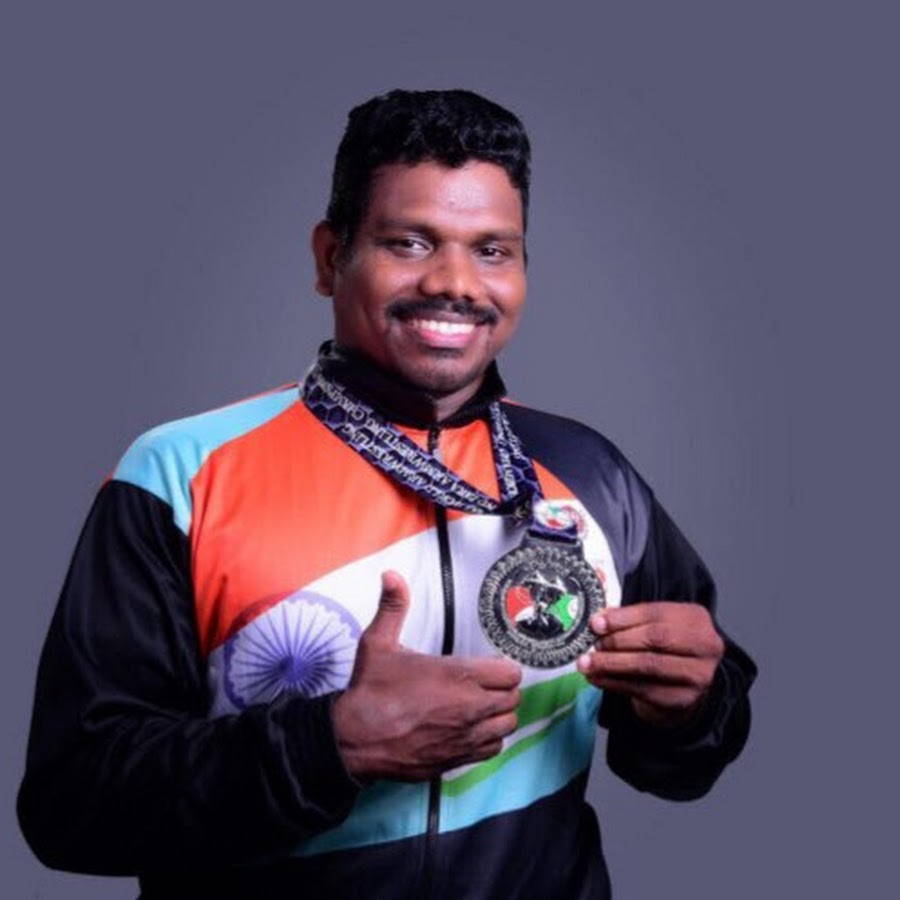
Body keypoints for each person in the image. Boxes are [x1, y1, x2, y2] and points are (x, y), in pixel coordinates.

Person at [18, 89, 756, 899]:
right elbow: (72, 804)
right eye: (409, 242)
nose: (455, 282)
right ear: (329, 257)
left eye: (492, 250)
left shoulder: (594, 473)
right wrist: (328, 748)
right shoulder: (179, 474)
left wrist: (689, 709)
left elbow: (683, 766)